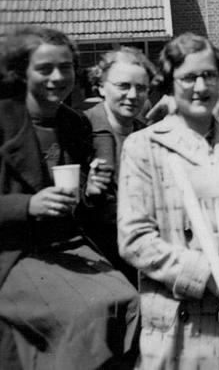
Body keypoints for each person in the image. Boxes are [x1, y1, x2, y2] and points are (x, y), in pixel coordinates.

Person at [117, 32, 219, 369]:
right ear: (170, 83)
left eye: (209, 75)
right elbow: (134, 239)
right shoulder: (143, 146)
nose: (200, 87)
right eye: (188, 77)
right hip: (181, 319)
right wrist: (207, 275)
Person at [0, 26, 139, 370]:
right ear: (21, 72)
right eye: (44, 69)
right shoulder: (3, 120)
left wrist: (91, 192)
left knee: (131, 302)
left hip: (66, 244)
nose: (58, 77)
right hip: (13, 250)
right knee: (85, 312)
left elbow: (81, 210)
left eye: (65, 68)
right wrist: (26, 205)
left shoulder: (74, 124)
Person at [83, 46, 156, 283]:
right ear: (101, 87)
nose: (133, 95)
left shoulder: (147, 135)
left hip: (140, 246)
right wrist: (87, 191)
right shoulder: (81, 127)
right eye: (123, 86)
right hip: (96, 251)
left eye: (141, 88)